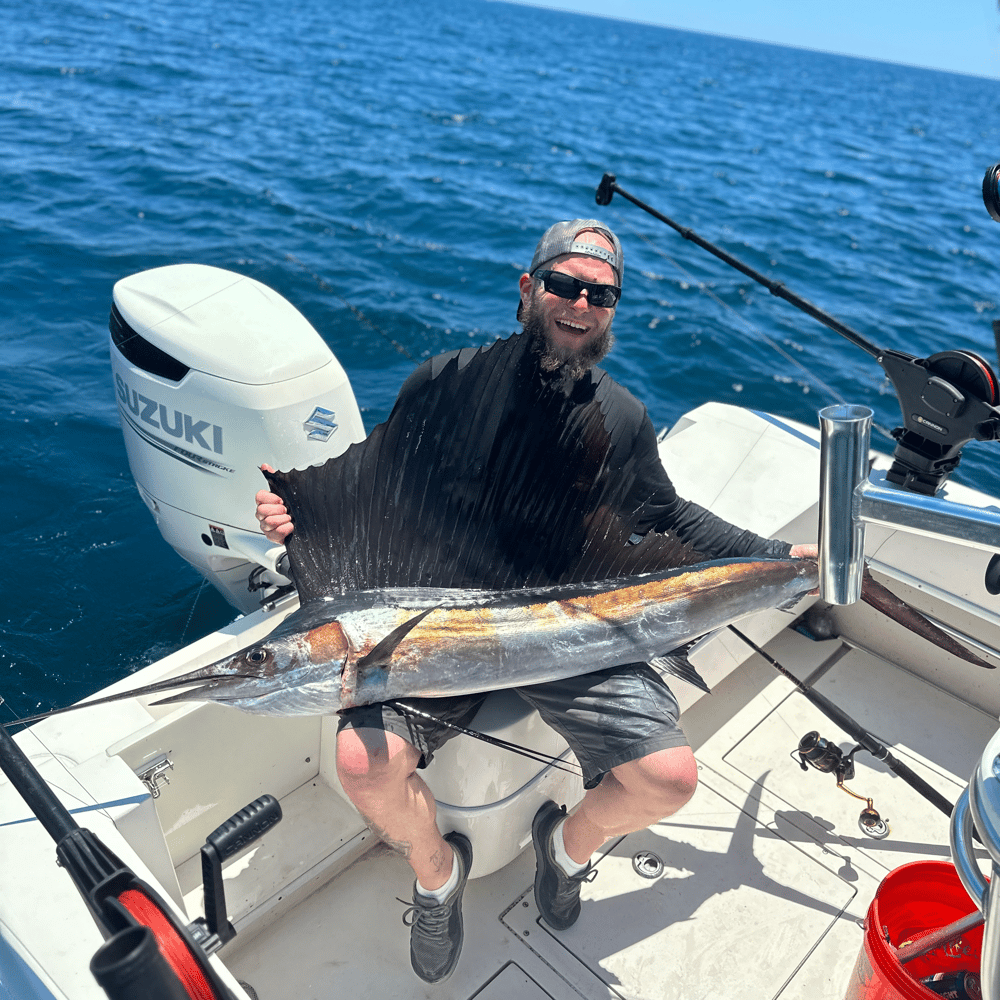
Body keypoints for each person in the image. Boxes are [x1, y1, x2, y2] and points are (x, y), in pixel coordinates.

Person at [255, 220, 817, 984]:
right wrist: (303, 515)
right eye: (564, 285)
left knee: (669, 779)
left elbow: (670, 520)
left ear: (613, 309)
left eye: (600, 293)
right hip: (434, 632)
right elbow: (379, 490)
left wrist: (779, 558)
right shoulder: (443, 381)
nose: (579, 303)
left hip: (566, 630)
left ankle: (566, 848)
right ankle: (437, 874)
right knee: (363, 763)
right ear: (529, 289)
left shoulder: (620, 420)